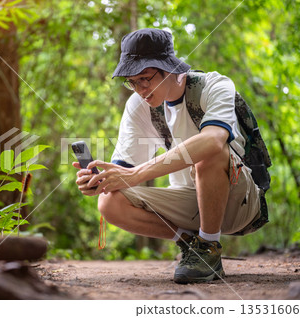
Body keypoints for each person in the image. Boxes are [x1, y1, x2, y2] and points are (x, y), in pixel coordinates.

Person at [73, 28, 261, 284]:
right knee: (109, 201)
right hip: (189, 204)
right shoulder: (138, 106)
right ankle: (191, 244)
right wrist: (101, 180)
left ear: (169, 68)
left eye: (145, 78)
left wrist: (137, 174)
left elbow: (214, 140)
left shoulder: (215, 85)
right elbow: (123, 169)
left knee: (207, 151)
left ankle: (209, 248)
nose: (140, 89)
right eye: (132, 81)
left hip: (238, 200)